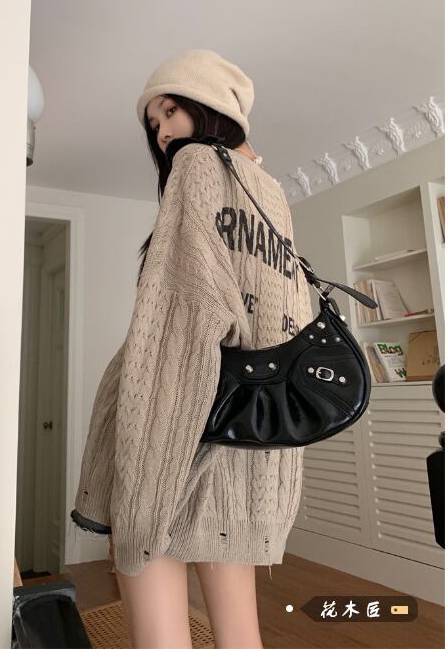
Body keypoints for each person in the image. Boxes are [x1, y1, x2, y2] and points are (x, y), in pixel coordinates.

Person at [70, 48, 313, 648]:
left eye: (169, 110)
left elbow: (180, 320)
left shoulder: (197, 164)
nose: (161, 132)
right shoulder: (273, 196)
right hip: (250, 436)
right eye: (153, 123)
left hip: (181, 431)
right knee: (240, 633)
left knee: (157, 625)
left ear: (210, 106)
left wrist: (143, 467)